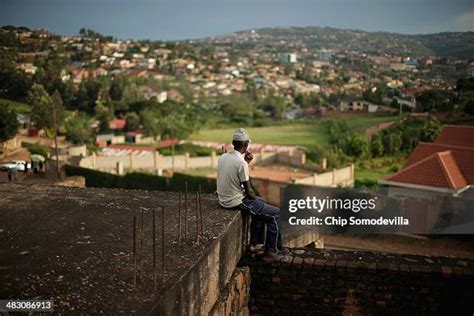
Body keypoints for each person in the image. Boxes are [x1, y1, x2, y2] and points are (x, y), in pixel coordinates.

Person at [216, 128, 289, 262]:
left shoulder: (223, 157)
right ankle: (271, 252)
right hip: (235, 201)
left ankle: (256, 243)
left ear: (233, 142)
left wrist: (246, 163)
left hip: (224, 199)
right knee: (275, 213)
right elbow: (249, 192)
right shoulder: (241, 163)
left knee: (261, 204)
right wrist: (255, 198)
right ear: (246, 145)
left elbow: (235, 173)